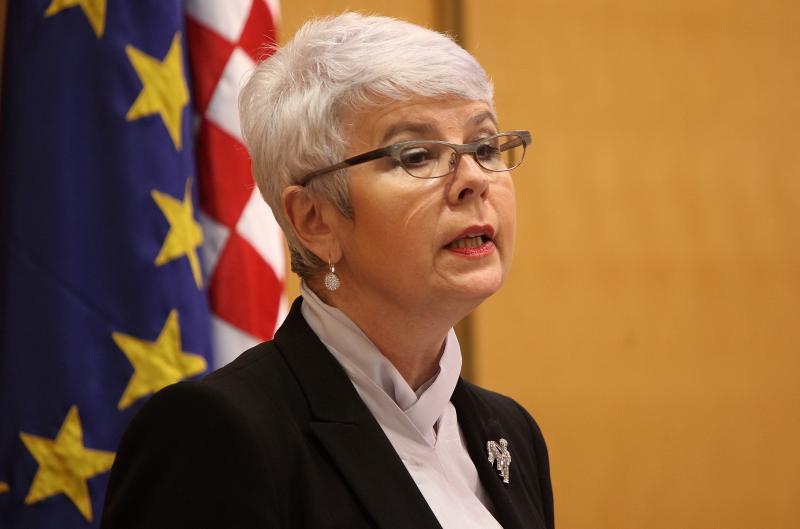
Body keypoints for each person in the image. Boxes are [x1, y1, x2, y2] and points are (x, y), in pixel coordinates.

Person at [101, 13, 554, 529]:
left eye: (486, 146)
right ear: (314, 219)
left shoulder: (511, 433)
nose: (474, 179)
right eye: (416, 155)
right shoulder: (218, 433)